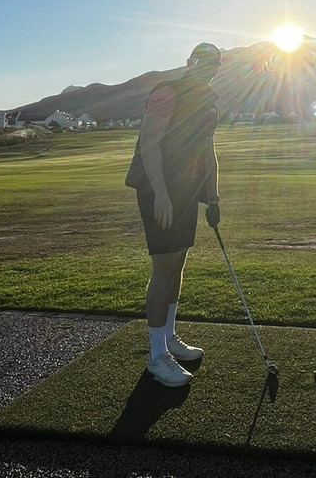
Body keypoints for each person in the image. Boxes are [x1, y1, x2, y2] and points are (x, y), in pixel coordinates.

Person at [125, 42, 223, 387]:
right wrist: (162, 196)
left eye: (213, 63)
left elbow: (208, 151)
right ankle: (156, 357)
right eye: (201, 61)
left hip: (184, 189)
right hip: (158, 189)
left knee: (177, 263)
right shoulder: (168, 92)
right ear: (189, 62)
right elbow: (149, 143)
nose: (207, 67)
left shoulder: (208, 99)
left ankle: (169, 338)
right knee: (164, 266)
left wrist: (212, 195)